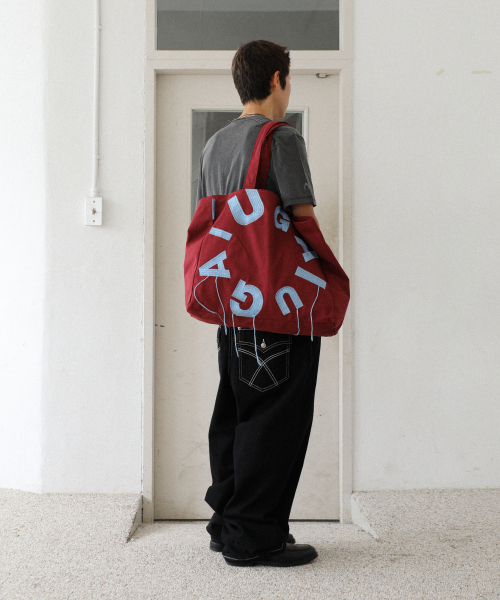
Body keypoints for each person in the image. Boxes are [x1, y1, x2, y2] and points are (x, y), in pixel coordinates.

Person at [197, 40, 321, 567]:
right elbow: (303, 218)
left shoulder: (214, 145)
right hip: (279, 307)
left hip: (233, 308)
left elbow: (215, 225)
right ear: (276, 80)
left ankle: (228, 524)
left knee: (236, 413)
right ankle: (253, 538)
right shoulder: (282, 138)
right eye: (287, 81)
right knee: (276, 421)